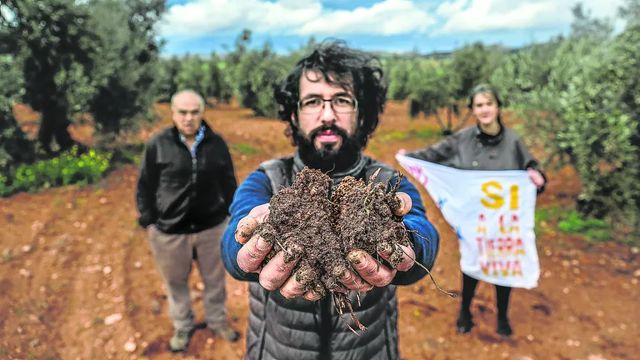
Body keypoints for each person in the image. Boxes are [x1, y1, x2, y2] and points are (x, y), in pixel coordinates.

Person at [220, 41, 440, 360]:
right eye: (312, 101)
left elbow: (422, 228)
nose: (327, 114)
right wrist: (243, 248)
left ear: (361, 113)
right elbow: (232, 238)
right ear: (294, 115)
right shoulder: (267, 179)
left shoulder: (385, 183)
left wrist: (411, 243)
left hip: (369, 349)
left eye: (341, 100)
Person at [402, 83, 547, 337]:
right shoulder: (463, 139)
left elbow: (531, 167)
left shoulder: (513, 141)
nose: (485, 109)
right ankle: (464, 311)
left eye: (489, 104)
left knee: (504, 267)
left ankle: (502, 317)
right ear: (473, 109)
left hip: (504, 222)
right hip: (474, 221)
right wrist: (409, 157)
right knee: (472, 265)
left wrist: (537, 176)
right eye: (479, 105)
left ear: (498, 107)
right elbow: (433, 154)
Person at [135, 90, 239, 352]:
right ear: (173, 113)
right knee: (176, 283)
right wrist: (149, 220)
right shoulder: (158, 144)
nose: (189, 118)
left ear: (202, 113)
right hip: (170, 231)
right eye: (182, 112)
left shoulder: (217, 144)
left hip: (211, 228)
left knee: (215, 280)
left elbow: (229, 181)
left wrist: (232, 215)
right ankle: (183, 326)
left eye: (194, 112)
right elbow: (145, 185)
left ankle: (217, 322)